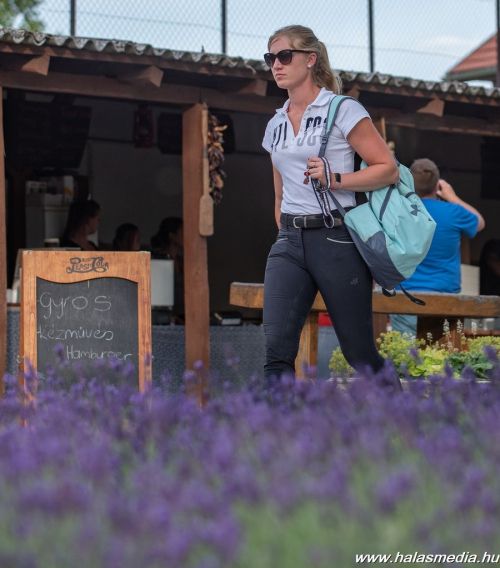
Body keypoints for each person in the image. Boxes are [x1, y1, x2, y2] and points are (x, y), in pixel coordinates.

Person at [261, 25, 399, 381]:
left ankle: (403, 414)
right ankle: (272, 420)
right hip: (289, 241)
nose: (276, 65)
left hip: (336, 238)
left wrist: (335, 179)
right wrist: (285, 233)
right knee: (276, 352)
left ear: (310, 59)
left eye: (284, 56)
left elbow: (388, 170)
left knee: (360, 354)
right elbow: (280, 192)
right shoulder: (275, 123)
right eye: (270, 58)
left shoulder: (342, 109)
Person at [391, 158, 485, 335]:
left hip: (405, 295)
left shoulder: (398, 211)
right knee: (441, 350)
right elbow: (479, 223)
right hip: (445, 296)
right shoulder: (453, 212)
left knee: (403, 350)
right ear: (438, 185)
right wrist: (452, 197)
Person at [150, 217, 184, 315]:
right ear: (172, 236)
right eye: (182, 232)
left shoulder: (182, 261)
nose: (186, 235)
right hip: (164, 315)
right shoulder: (158, 260)